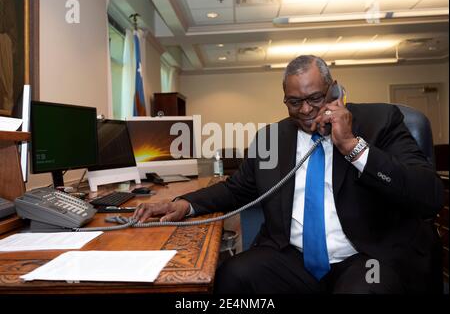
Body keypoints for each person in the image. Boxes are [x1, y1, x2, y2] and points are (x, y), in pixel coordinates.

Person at [133, 55, 443, 294]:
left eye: (316, 98)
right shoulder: (272, 138)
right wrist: (184, 204)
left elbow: (428, 195)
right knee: (233, 276)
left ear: (335, 90)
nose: (306, 110)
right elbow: (236, 189)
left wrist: (351, 145)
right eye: (295, 102)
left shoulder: (381, 121)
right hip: (294, 258)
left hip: (366, 257)